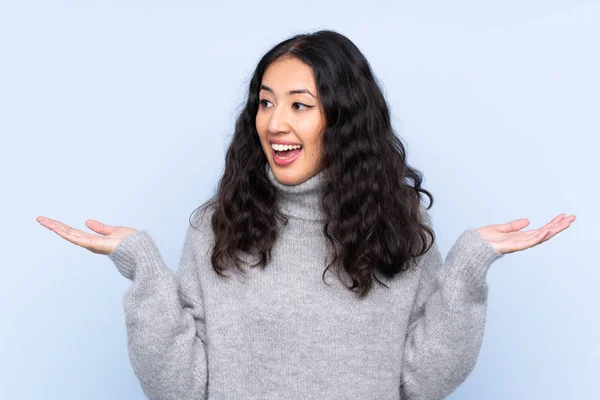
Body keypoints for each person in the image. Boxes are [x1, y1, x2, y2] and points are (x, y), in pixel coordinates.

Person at [37, 30, 575, 400]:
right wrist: (145, 269)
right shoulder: (217, 226)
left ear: (341, 121)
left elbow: (423, 382)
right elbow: (179, 388)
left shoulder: (398, 229)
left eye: (299, 104)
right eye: (266, 103)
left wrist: (468, 265)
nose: (274, 123)